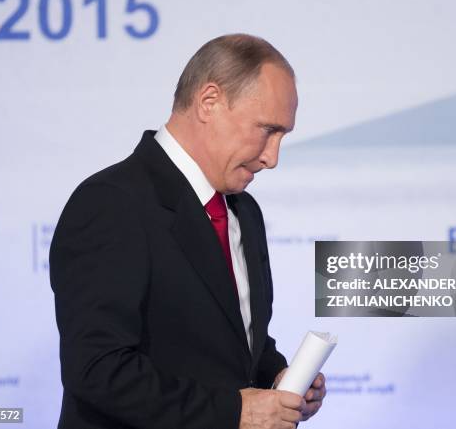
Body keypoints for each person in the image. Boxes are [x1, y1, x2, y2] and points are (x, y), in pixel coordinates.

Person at [50, 33, 326, 429]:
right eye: (267, 130)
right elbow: (97, 369)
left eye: (283, 136)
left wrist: (279, 380)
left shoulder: (244, 211)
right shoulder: (111, 203)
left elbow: (235, 344)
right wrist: (234, 412)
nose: (272, 157)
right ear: (209, 102)